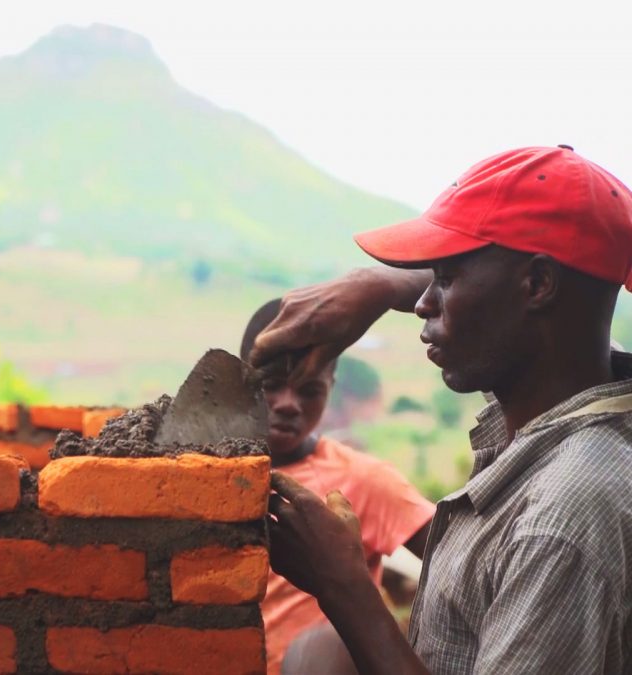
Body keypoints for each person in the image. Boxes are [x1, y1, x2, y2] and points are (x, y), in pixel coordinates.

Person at [249, 145, 632, 674]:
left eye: (445, 278)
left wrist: (343, 586)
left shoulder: (563, 520)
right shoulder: (554, 414)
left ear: (539, 285)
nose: (423, 303)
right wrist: (381, 287)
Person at [240, 299, 434, 675]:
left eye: (309, 390)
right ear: (239, 379)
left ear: (330, 387)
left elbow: (462, 557)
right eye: (271, 386)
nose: (288, 404)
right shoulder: (206, 476)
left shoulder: (364, 480)